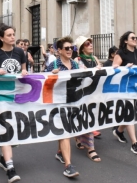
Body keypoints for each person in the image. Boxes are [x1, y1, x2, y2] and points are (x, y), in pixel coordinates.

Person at [0, 24, 27, 183]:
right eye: (9, 35)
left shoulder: (20, 52)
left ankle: (4, 159)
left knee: (14, 128)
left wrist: (24, 72)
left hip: (16, 95)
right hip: (0, 96)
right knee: (5, 128)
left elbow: (24, 72)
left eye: (13, 34)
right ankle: (10, 168)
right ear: (2, 38)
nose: (12, 37)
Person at [46, 36, 80, 178]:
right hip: (58, 103)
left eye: (71, 48)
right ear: (59, 50)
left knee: (69, 130)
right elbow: (43, 84)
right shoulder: (53, 66)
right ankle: (68, 166)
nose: (70, 50)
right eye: (66, 48)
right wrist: (50, 75)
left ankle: (60, 153)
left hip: (72, 101)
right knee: (65, 131)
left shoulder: (75, 64)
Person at [111, 31, 137, 154]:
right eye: (132, 38)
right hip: (124, 88)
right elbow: (113, 68)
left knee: (131, 112)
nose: (135, 39)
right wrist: (125, 68)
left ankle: (119, 131)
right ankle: (134, 143)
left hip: (136, 86)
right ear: (126, 41)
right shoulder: (121, 53)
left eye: (136, 37)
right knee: (130, 113)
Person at [72, 36, 102, 161]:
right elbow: (76, 76)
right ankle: (91, 149)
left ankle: (80, 138)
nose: (90, 45)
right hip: (82, 95)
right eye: (87, 44)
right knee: (84, 118)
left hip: (93, 94)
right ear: (81, 48)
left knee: (90, 118)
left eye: (91, 43)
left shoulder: (95, 58)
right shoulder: (76, 60)